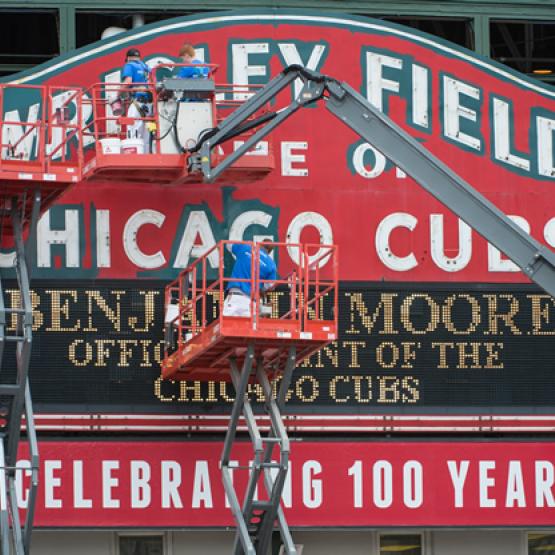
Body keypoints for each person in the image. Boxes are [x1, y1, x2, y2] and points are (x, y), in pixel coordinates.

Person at [223, 240, 277, 317]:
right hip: (251, 303)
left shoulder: (245, 248)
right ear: (270, 251)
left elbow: (228, 244)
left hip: (235, 298)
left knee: (224, 326)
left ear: (260, 244)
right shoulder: (271, 264)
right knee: (250, 328)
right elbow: (270, 286)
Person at [120, 48, 153, 152]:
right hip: (149, 104)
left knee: (133, 131)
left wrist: (117, 93)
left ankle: (134, 154)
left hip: (137, 102)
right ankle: (147, 156)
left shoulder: (129, 65)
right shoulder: (146, 67)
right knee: (147, 133)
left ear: (128, 58)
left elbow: (128, 81)